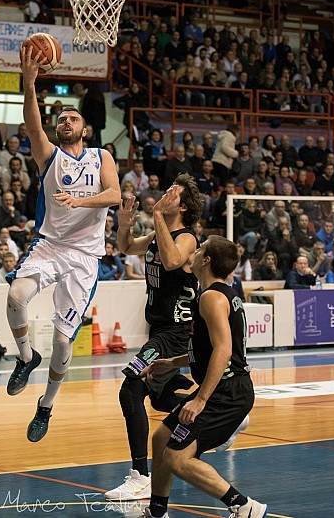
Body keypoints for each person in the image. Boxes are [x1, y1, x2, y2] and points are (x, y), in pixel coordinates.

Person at [4, 45, 120, 442]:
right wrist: (30, 83)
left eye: (73, 117)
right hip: (50, 245)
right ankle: (25, 357)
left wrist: (81, 201)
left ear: (84, 128)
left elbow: (116, 196)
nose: (65, 121)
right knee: (16, 296)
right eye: (61, 118)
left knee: (61, 341)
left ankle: (46, 406)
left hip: (85, 258)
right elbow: (32, 122)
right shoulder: (48, 156)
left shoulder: (101, 156)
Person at [141, 235, 266, 518]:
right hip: (226, 387)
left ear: (206, 259)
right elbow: (210, 349)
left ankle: (245, 507)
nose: (194, 253)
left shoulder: (211, 297)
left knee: (176, 457)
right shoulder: (221, 293)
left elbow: (223, 350)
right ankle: (157, 511)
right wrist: (171, 362)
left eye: (199, 249)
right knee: (162, 438)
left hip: (227, 393)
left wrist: (199, 400)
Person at [107, 176, 202, 501]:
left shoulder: (187, 237)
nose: (165, 193)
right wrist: (123, 225)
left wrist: (158, 217)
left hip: (176, 334)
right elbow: (126, 247)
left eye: (173, 192)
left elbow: (175, 260)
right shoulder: (158, 233)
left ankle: (140, 476)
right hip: (158, 331)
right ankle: (217, 413)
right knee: (161, 399)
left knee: (131, 387)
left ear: (184, 205)